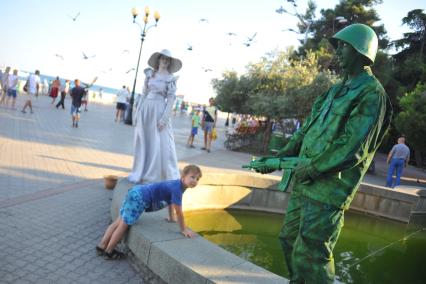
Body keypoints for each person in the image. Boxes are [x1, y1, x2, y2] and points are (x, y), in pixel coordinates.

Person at [253, 24, 392, 283]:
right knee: (289, 240)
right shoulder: (334, 91)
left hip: (329, 189)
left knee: (313, 253)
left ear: (361, 52)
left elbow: (353, 146)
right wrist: (276, 159)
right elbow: (305, 131)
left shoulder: (372, 94)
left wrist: (315, 167)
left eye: (343, 46)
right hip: (305, 183)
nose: (337, 50)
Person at [97, 164, 202, 260]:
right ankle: (109, 251)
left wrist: (171, 217)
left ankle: (101, 246)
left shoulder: (177, 184)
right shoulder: (177, 190)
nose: (195, 181)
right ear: (183, 177)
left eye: (197, 179)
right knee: (123, 225)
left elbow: (171, 201)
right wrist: (183, 229)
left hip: (135, 191)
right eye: (192, 177)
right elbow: (179, 212)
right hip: (140, 198)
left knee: (118, 221)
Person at [128, 49, 182, 184]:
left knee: (161, 141)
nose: (165, 61)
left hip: (159, 110)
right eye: (163, 58)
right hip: (146, 109)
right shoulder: (150, 74)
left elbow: (170, 100)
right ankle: (143, 171)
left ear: (169, 62)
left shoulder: (170, 78)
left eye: (167, 59)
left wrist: (164, 119)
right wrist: (137, 112)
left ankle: (159, 175)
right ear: (158, 60)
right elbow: (144, 93)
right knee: (145, 140)